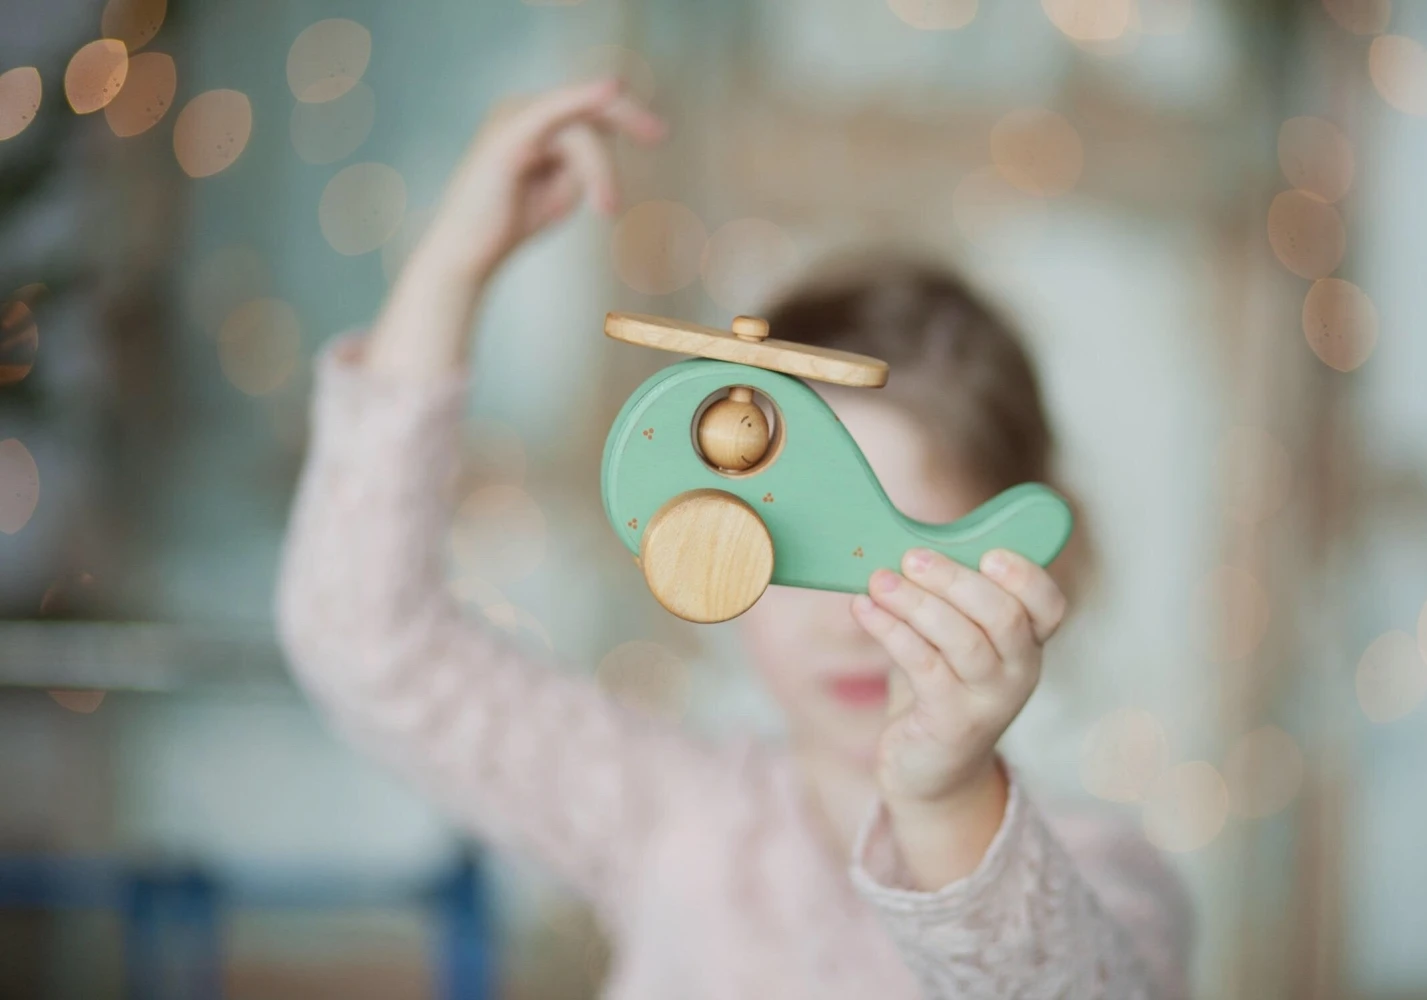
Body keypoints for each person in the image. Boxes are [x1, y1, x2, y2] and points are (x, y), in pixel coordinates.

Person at [274, 77, 1192, 999]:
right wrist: (450, 268)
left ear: (1019, 561)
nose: (850, 617)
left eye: (908, 557)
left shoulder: (1105, 879)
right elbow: (365, 639)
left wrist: (949, 797)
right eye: (795, 547)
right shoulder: (672, 816)